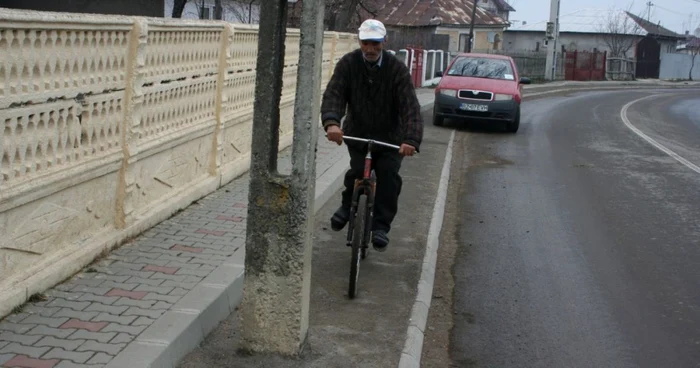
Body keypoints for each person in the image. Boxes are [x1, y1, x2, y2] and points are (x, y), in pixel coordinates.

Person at [321, 19, 424, 252]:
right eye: (366, 42)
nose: (370, 48)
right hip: (358, 132)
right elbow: (334, 95)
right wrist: (332, 123)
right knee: (357, 171)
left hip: (390, 137)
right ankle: (347, 206)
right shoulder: (348, 64)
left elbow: (410, 107)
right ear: (359, 42)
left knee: (388, 176)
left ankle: (380, 226)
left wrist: (411, 139)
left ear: (384, 42)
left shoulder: (397, 69)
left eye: (375, 43)